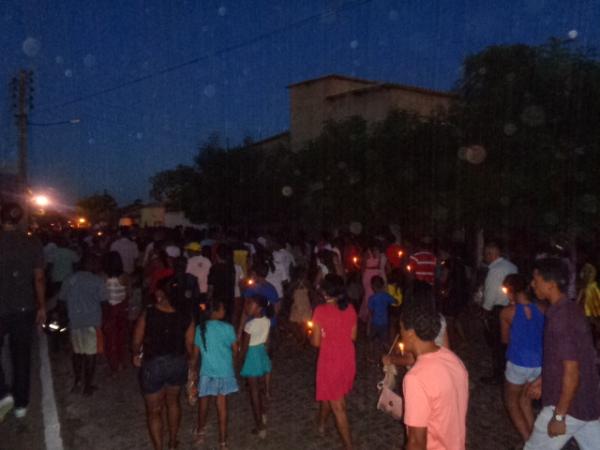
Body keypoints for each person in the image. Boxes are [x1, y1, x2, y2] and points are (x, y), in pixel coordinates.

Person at [524, 258, 600, 450]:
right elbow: (568, 359)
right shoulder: (565, 309)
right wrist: (544, 379)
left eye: (536, 279)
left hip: (567, 406)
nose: (532, 284)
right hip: (585, 403)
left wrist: (559, 416)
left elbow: (572, 370)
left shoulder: (562, 319)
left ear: (550, 284)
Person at [131, 276, 195, 450]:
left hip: (154, 364)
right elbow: (190, 347)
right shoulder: (186, 316)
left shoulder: (149, 313)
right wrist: (192, 370)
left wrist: (136, 354)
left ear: (162, 294)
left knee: (154, 410)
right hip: (177, 363)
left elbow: (137, 339)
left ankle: (159, 447)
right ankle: (173, 442)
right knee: (173, 402)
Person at [400, 303, 469, 450]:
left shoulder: (415, 378)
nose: (400, 334)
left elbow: (416, 442)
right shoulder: (453, 359)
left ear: (410, 334)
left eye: (401, 329)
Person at [0, 203, 46, 420]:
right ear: (19, 220)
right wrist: (42, 305)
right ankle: (21, 405)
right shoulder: (32, 242)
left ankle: (2, 393)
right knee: (21, 356)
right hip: (24, 307)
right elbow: (38, 277)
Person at [311, 274, 357, 450]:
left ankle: (349, 446)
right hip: (347, 357)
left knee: (339, 406)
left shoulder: (320, 311)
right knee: (330, 394)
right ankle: (321, 423)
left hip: (331, 360)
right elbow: (353, 336)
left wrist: (324, 336)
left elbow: (315, 342)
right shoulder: (350, 308)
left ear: (325, 292)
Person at [499, 274, 545, 443]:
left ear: (511, 292)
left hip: (518, 362)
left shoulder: (507, 313)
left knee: (511, 401)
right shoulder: (542, 308)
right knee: (525, 400)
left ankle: (528, 441)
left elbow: (505, 340)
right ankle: (536, 439)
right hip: (539, 364)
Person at [188, 298, 238, 449]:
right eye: (222, 308)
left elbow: (195, 357)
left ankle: (200, 432)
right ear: (215, 312)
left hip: (207, 373)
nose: (224, 311)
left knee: (204, 404)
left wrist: (192, 373)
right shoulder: (228, 328)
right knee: (222, 407)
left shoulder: (200, 329)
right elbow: (235, 350)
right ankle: (223, 442)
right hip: (224, 372)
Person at [59, 253, 108, 395]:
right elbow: (104, 302)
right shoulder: (97, 281)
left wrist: (65, 317)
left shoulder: (70, 279)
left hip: (74, 321)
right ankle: (88, 386)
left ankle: (78, 381)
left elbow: (62, 300)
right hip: (92, 322)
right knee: (90, 354)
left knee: (77, 353)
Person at [480, 240, 518, 385]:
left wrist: (485, 310)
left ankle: (498, 375)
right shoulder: (512, 266)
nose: (485, 257)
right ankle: (508, 373)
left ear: (492, 254)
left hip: (498, 309)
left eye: (486, 254)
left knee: (497, 343)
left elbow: (490, 293)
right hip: (512, 307)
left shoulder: (494, 270)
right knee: (507, 341)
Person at [239, 295, 272, 439]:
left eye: (250, 304)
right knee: (258, 388)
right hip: (260, 352)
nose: (246, 307)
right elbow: (267, 340)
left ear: (259, 308)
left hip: (251, 355)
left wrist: (240, 360)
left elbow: (244, 347)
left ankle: (260, 426)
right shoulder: (267, 321)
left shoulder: (249, 325)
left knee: (254, 392)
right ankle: (263, 414)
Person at [102, 251, 130, 374]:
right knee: (121, 337)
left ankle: (113, 364)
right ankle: (121, 362)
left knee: (109, 338)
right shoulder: (124, 276)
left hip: (109, 309)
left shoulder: (103, 276)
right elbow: (129, 293)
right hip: (121, 308)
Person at [367, 275, 395, 357]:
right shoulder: (386, 296)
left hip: (375, 322)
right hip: (384, 322)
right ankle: (390, 354)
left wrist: (369, 323)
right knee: (385, 340)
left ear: (372, 287)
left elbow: (371, 311)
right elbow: (394, 301)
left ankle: (370, 354)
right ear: (383, 285)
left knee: (371, 338)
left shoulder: (371, 298)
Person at [359, 242, 386, 322]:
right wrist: (362, 277)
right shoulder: (367, 253)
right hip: (368, 274)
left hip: (376, 274)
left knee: (375, 293)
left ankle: (373, 313)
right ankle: (368, 314)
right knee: (368, 294)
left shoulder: (379, 253)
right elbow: (363, 266)